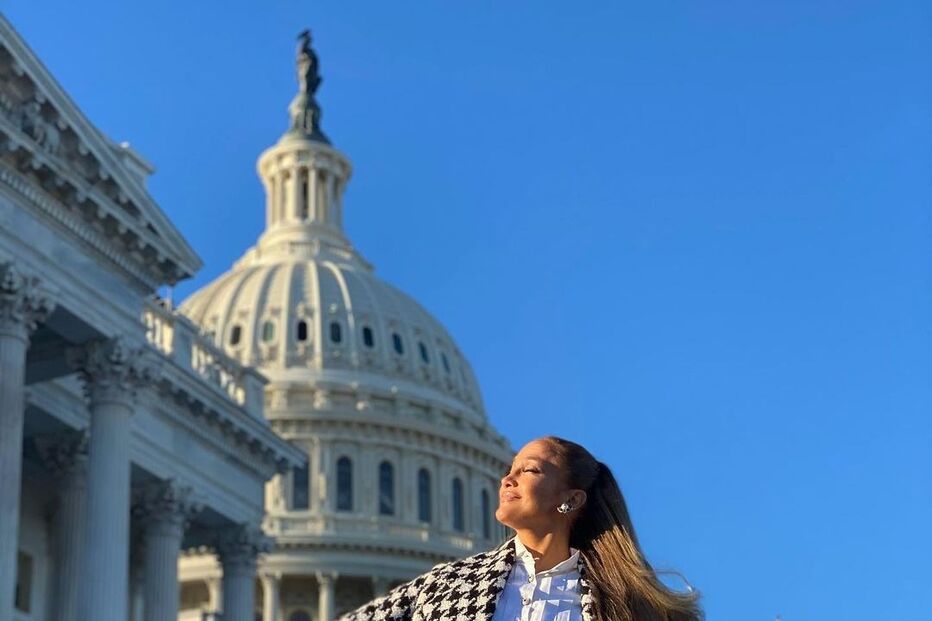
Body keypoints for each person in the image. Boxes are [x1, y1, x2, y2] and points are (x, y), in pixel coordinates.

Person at [339, 436, 702, 621]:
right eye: (509, 469)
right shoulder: (446, 586)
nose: (507, 479)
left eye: (528, 470)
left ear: (572, 500)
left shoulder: (630, 607)